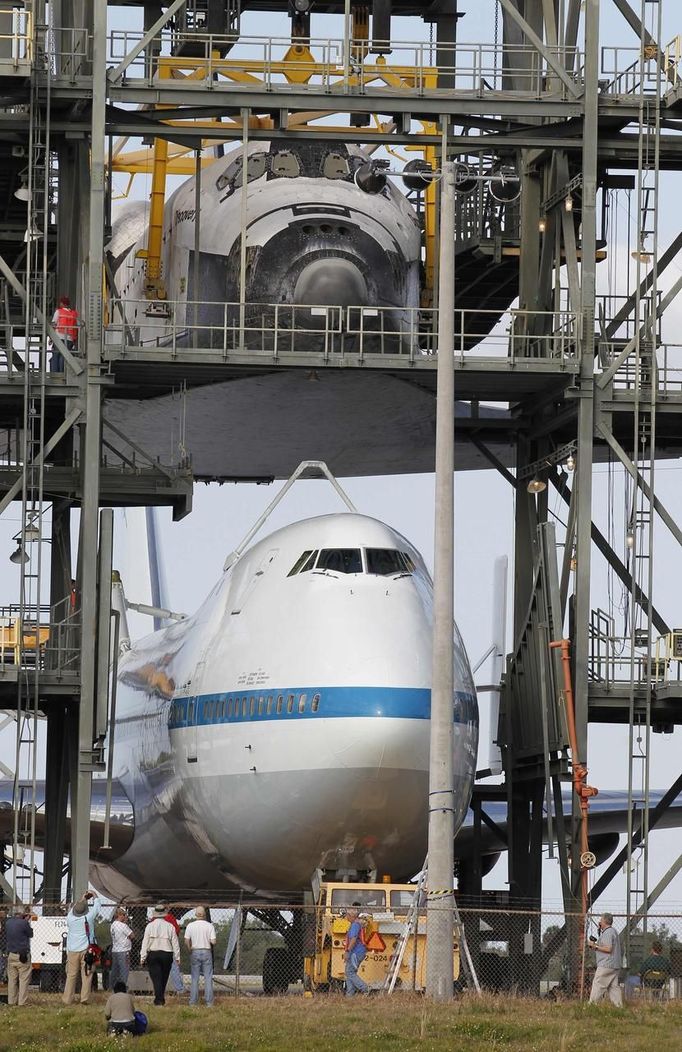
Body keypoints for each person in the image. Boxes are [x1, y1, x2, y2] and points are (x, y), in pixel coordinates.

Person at [62, 891, 101, 1005]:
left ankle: (67, 999)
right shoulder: (88, 918)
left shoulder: (70, 918)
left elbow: (73, 908)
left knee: (71, 975)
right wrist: (94, 895)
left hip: (72, 950)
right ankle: (84, 998)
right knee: (87, 974)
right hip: (86, 950)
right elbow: (97, 907)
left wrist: (82, 898)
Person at [140, 904, 180, 1006]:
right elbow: (175, 942)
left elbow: (145, 942)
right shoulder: (170, 926)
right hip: (167, 953)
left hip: (153, 953)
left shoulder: (150, 926)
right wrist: (177, 956)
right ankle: (160, 999)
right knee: (164, 977)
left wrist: (142, 956)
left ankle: (159, 1000)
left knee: (156, 978)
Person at [588, 912, 623, 1006]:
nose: (599, 922)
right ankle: (619, 1006)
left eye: (601, 920)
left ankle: (591, 1005)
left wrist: (595, 946)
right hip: (614, 965)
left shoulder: (608, 932)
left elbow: (608, 949)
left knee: (598, 984)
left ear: (604, 921)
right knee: (613, 987)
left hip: (606, 964)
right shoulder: (613, 931)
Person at [184, 906, 217, 1007]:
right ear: (204, 914)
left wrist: (190, 949)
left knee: (195, 978)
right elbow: (214, 941)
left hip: (195, 951)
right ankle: (209, 1002)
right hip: (206, 951)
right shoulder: (209, 926)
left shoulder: (190, 926)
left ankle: (193, 1002)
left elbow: (186, 940)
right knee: (208, 977)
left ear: (196, 914)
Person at [5, 905, 33, 1006]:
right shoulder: (24, 923)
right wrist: (27, 921)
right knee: (24, 979)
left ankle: (11, 1001)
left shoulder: (8, 923)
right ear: (23, 914)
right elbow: (30, 934)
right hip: (22, 955)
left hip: (11, 954)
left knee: (12, 980)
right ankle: (22, 1002)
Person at [343, 904, 368, 997]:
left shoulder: (354, 925)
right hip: (356, 952)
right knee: (349, 972)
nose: (346, 917)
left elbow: (353, 939)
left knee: (350, 972)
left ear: (351, 916)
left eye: (347, 915)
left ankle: (365, 988)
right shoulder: (357, 924)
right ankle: (350, 995)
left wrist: (347, 951)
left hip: (355, 953)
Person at [51, 295, 78, 372]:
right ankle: (62, 373)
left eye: (60, 303)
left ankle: (55, 373)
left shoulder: (59, 311)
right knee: (64, 356)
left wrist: (51, 338)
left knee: (56, 354)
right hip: (69, 338)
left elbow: (54, 324)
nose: (60, 304)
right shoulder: (74, 314)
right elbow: (75, 327)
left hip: (59, 337)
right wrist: (74, 339)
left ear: (63, 304)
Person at [109, 907, 134, 990]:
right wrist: (126, 923)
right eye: (124, 915)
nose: (125, 917)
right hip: (123, 951)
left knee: (115, 970)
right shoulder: (123, 926)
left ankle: (112, 987)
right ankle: (122, 987)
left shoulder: (113, 925)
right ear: (119, 915)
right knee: (124, 971)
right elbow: (132, 935)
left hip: (115, 950)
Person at [163, 910, 185, 995]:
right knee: (174, 968)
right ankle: (179, 989)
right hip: (169, 945)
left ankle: (159, 990)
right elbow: (177, 931)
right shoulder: (170, 917)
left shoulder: (154, 919)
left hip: (157, 947)